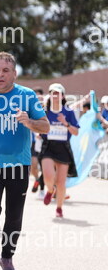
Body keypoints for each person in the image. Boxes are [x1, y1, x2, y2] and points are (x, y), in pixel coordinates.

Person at [0, 52, 49, 270]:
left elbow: (45, 126)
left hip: (18, 165)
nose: (0, 75)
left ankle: (7, 257)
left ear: (14, 74)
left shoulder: (27, 96)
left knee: (14, 215)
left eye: (5, 71)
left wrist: (29, 122)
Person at [40, 83, 79, 217]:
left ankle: (59, 208)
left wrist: (65, 123)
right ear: (49, 95)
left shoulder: (68, 112)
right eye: (53, 93)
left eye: (58, 93)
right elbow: (38, 126)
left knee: (61, 183)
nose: (55, 96)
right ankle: (50, 190)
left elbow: (75, 132)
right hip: (48, 146)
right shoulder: (45, 111)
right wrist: (39, 132)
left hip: (63, 147)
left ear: (62, 96)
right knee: (48, 175)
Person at [30, 88, 45, 198]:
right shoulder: (29, 109)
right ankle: (37, 179)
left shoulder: (48, 109)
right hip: (33, 143)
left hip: (46, 143)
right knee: (33, 166)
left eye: (39, 97)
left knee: (46, 167)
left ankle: (43, 189)